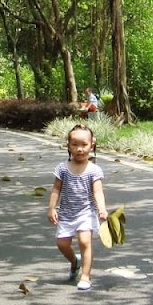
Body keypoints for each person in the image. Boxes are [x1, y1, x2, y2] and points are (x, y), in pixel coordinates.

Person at [47, 124, 107, 291]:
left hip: (86, 212)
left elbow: (98, 192)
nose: (79, 149)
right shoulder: (62, 168)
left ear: (92, 145)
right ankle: (75, 261)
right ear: (68, 146)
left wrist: (102, 209)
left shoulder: (94, 170)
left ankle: (85, 276)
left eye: (84, 145)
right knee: (62, 244)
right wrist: (52, 208)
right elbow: (56, 190)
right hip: (66, 214)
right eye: (75, 145)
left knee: (85, 242)